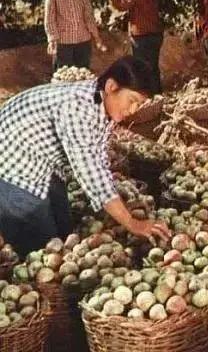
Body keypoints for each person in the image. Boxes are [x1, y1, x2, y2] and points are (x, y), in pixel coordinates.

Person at [0, 56, 170, 256]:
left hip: (42, 160)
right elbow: (91, 173)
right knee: (42, 247)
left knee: (64, 227)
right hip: (12, 166)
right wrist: (131, 223)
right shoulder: (78, 108)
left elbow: (96, 155)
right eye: (132, 100)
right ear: (111, 86)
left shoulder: (99, 100)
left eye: (139, 104)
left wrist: (119, 204)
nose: (133, 110)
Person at [108, 0, 163, 94]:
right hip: (155, 33)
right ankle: (157, 95)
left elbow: (122, 6)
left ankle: (148, 97)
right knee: (153, 68)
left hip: (142, 36)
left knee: (142, 70)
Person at [44, 0, 106, 71]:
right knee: (64, 74)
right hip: (64, 43)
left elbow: (88, 16)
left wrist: (96, 37)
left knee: (83, 73)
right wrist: (52, 40)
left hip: (83, 41)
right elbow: (50, 20)